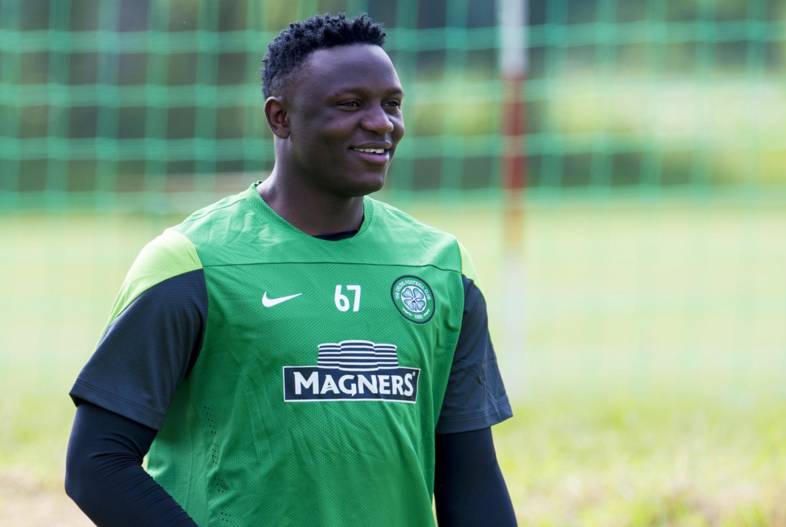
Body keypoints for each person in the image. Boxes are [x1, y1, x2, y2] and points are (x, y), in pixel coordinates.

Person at [65, 13, 516, 527]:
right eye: (350, 104)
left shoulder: (440, 266)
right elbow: (97, 465)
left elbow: (471, 479)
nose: (381, 123)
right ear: (280, 118)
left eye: (392, 104)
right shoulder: (190, 263)